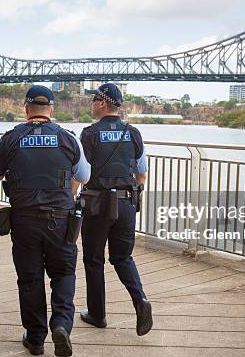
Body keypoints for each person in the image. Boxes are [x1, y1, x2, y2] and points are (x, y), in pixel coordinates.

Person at [0, 85, 90, 357]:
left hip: (25, 222)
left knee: (30, 280)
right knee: (64, 274)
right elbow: (85, 175)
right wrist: (69, 191)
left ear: (26, 109)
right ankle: (62, 325)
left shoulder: (11, 138)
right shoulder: (68, 138)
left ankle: (35, 339)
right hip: (62, 221)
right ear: (51, 110)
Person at [75, 82, 153, 336]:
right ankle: (140, 300)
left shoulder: (88, 134)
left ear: (101, 103)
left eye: (93, 101)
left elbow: (82, 174)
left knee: (93, 259)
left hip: (96, 205)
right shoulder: (133, 133)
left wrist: (69, 195)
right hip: (126, 202)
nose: (91, 105)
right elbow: (142, 174)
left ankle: (97, 314)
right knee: (122, 257)